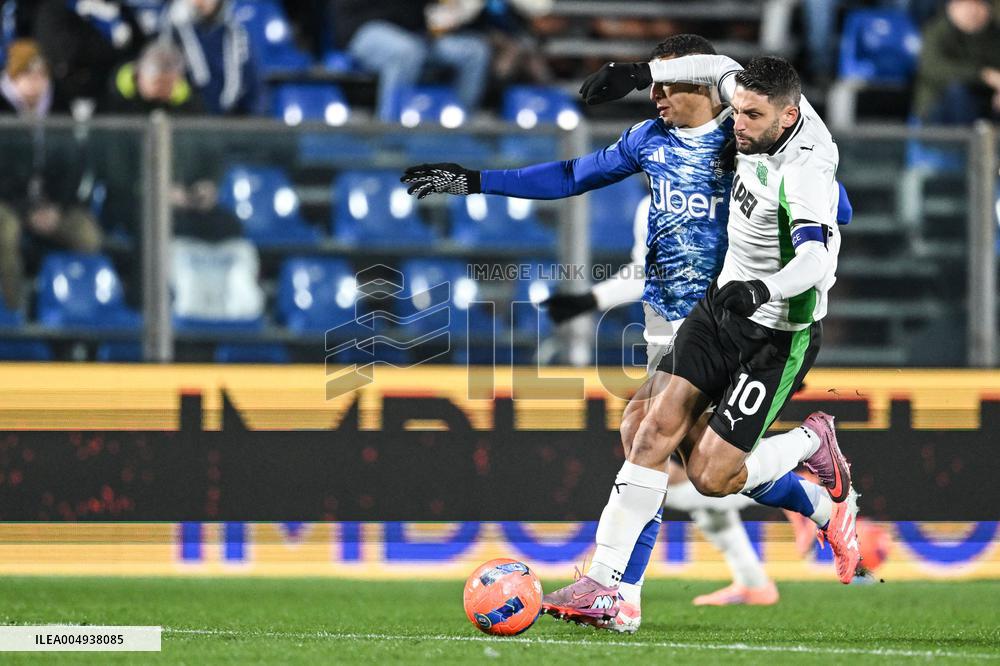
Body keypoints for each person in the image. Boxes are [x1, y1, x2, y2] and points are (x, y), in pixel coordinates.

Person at [402, 38, 858, 630]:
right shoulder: (651, 140)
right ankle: (629, 588)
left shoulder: (750, 136)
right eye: (654, 86)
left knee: (693, 460)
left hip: (755, 324)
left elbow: (832, 209)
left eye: (668, 85)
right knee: (670, 448)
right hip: (680, 321)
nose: (658, 96)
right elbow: (571, 175)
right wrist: (473, 181)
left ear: (705, 89)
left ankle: (634, 584)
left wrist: (788, 210)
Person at [544, 179, 853, 617]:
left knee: (665, 459)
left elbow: (837, 208)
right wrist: (589, 299)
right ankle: (804, 518)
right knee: (681, 462)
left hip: (740, 338)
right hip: (687, 339)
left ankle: (625, 595)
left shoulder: (744, 175)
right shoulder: (651, 206)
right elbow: (645, 271)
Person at [0, 40, 102, 311]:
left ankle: (76, 314)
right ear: (12, 77)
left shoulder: (59, 105)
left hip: (52, 204)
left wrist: (58, 206)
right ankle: (14, 312)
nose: (35, 83)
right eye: (26, 75)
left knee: (87, 235)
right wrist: (25, 209)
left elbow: (74, 165)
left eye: (41, 76)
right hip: (8, 203)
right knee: (3, 232)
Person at [330, 0, 491, 122]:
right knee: (407, 52)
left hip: (415, 33)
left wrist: (448, 15)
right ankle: (389, 132)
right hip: (365, 28)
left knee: (475, 52)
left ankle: (462, 128)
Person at [164, 0, 260, 115]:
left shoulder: (236, 34)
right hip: (188, 117)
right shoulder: (174, 34)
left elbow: (251, 83)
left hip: (232, 119)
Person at [912, 0, 1000, 124]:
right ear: (952, 7)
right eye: (966, 4)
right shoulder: (935, 31)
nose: (972, 11)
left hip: (986, 106)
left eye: (979, 4)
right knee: (959, 90)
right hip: (939, 109)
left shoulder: (995, 35)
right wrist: (983, 75)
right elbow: (933, 68)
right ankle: (966, 142)